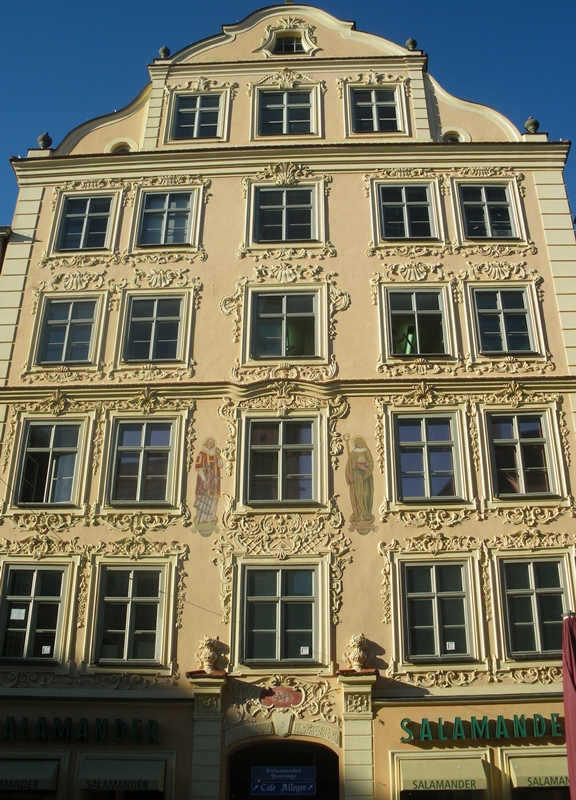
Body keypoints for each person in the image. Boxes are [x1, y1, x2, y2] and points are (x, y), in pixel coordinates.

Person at [345, 435, 375, 533]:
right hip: (356, 478)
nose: (357, 445)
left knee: (366, 495)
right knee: (358, 496)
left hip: (366, 478)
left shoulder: (367, 451)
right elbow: (348, 466)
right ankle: (358, 514)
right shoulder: (353, 453)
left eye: (358, 443)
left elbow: (371, 463)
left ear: (362, 442)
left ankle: (366, 514)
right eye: (356, 443)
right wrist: (349, 476)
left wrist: (364, 467)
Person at [193, 438, 223, 525]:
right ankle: (201, 518)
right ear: (206, 444)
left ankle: (211, 517)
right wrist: (204, 480)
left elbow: (220, 466)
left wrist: (219, 458)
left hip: (214, 481)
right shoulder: (202, 454)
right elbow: (199, 469)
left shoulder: (216, 454)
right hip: (205, 480)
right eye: (210, 443)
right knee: (203, 498)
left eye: (213, 444)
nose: (212, 445)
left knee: (213, 499)